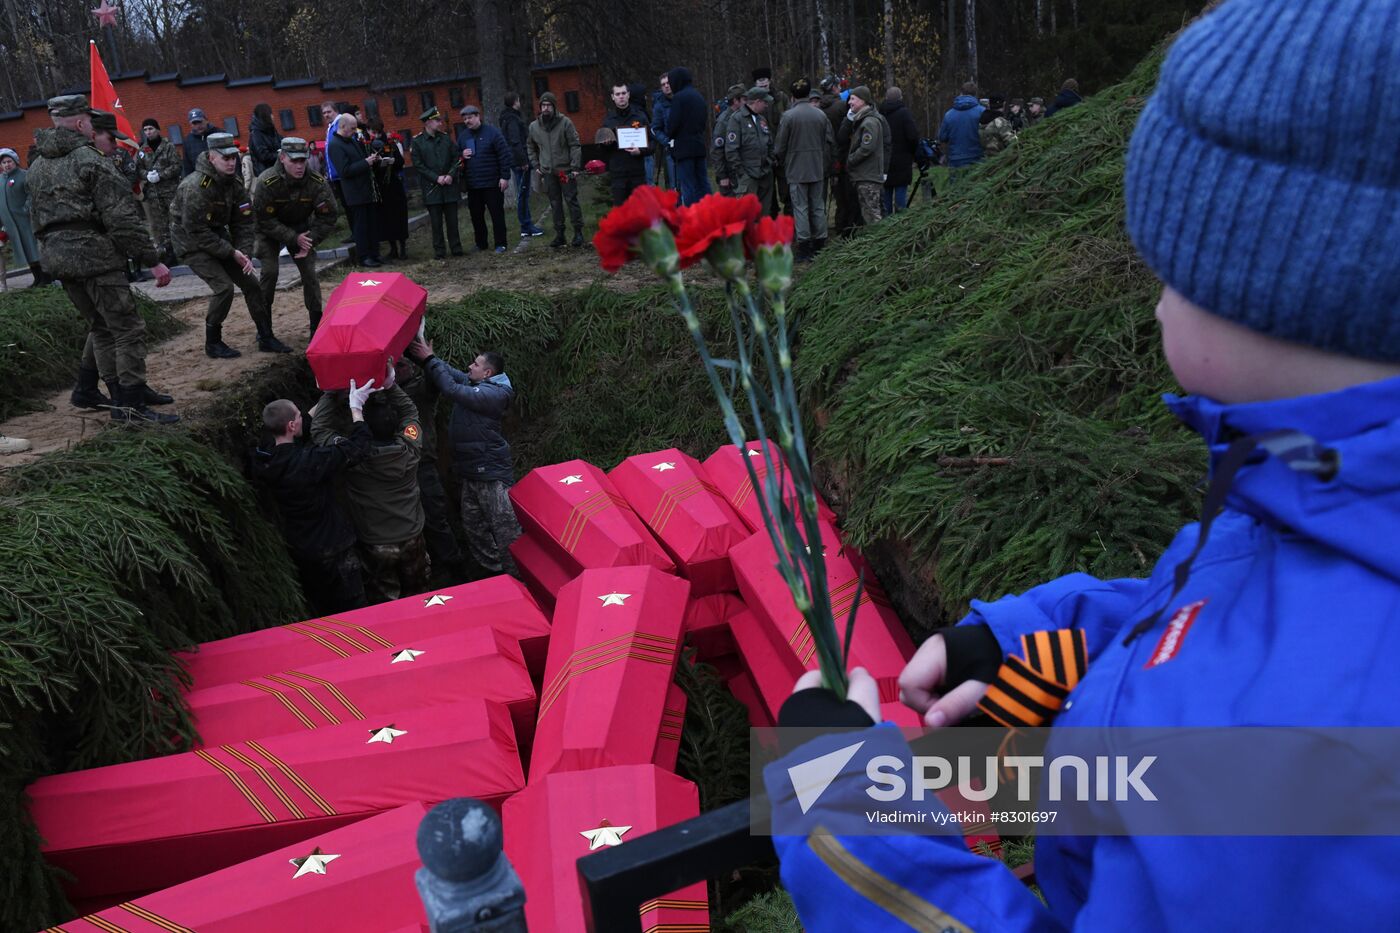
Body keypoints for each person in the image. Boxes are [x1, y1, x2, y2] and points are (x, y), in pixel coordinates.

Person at [765, 1, 1400, 929]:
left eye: (1173, 276)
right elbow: (1233, 609)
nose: (1151, 310)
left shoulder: (1304, 754)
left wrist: (845, 808)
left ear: (1298, 292)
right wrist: (1051, 641)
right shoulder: (1323, 490)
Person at [28, 94, 176, 424]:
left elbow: (33, 214)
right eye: (90, 122)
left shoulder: (36, 165)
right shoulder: (90, 161)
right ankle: (132, 406)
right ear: (81, 124)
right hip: (95, 256)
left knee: (101, 328)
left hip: (57, 258)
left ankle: (122, 398)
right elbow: (121, 218)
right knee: (127, 329)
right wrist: (152, 259)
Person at [251, 382, 377, 614]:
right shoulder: (310, 461)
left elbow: (303, 424)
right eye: (298, 415)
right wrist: (356, 409)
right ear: (290, 425)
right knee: (354, 605)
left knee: (323, 608)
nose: (302, 416)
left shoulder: (264, 456)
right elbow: (358, 449)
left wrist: (328, 395)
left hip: (301, 548)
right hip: (333, 546)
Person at [406, 336, 522, 577]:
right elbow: (450, 374)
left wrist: (429, 359)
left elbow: (451, 389)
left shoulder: (495, 395)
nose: (470, 367)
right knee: (475, 529)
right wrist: (425, 357)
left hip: (491, 476)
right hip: (470, 474)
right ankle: (493, 577)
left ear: (487, 373)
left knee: (506, 531)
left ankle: (519, 580)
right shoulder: (477, 385)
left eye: (476, 364)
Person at [310, 372, 429, 602]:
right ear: (395, 428)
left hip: (376, 542)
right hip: (413, 535)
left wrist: (332, 390)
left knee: (385, 597)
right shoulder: (411, 448)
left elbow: (320, 431)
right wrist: (391, 384)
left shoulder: (353, 458)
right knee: (420, 592)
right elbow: (411, 413)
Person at [172, 131, 292, 358]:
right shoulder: (197, 186)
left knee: (252, 284)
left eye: (233, 157)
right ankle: (213, 342)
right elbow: (196, 231)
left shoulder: (234, 184)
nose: (230, 162)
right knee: (224, 288)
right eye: (224, 158)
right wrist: (230, 251)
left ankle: (266, 336)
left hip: (217, 236)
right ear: (211, 158)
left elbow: (244, 222)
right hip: (191, 242)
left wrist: (243, 253)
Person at [252, 137, 338, 336]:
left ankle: (316, 327)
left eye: (303, 160)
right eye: (294, 161)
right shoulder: (267, 181)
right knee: (270, 272)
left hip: (301, 229)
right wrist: (292, 238)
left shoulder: (316, 182)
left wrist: (310, 240)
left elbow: (329, 215)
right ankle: (264, 329)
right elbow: (263, 219)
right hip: (268, 231)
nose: (300, 166)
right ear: (282, 158)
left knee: (310, 273)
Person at [395, 356, 466, 583]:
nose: (396, 370)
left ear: (413, 366)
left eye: (401, 365)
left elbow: (442, 382)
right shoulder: (381, 392)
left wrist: (428, 358)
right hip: (396, 471)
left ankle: (454, 567)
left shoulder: (422, 387)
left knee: (436, 518)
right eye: (393, 366)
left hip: (423, 466)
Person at [774, 90, 834, 261]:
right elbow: (826, 140)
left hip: (796, 169)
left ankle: (804, 247)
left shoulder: (788, 116)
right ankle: (820, 242)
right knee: (817, 206)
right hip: (817, 167)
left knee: (800, 208)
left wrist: (780, 159)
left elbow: (780, 146)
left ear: (793, 97)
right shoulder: (820, 115)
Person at [527, 91, 584, 248]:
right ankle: (560, 234)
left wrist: (575, 166)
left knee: (571, 200)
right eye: (543, 105)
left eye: (548, 105)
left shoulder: (565, 122)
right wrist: (536, 165)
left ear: (554, 107)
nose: (545, 108)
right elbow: (530, 146)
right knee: (554, 203)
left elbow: (574, 144)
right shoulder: (534, 126)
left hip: (565, 170)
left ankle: (578, 232)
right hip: (547, 171)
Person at [328, 113, 383, 268]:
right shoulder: (335, 145)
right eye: (352, 128)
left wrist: (372, 159)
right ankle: (364, 256)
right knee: (361, 226)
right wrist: (366, 163)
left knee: (372, 223)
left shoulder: (351, 141)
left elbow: (360, 159)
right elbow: (344, 171)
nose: (354, 131)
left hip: (366, 188)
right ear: (342, 126)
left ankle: (374, 253)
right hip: (354, 192)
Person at [409, 106, 464, 259]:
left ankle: (456, 248)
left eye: (439, 120)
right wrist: (436, 177)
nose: (440, 123)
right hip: (432, 188)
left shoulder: (445, 138)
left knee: (452, 221)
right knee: (436, 222)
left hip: (449, 186)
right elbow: (419, 165)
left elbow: (456, 158)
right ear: (427, 123)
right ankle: (439, 251)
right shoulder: (418, 142)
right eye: (436, 120)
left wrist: (450, 175)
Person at [456, 105, 513, 253]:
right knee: (476, 216)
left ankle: (501, 243)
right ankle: (481, 243)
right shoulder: (462, 137)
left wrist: (504, 177)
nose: (467, 121)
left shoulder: (493, 133)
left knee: (497, 215)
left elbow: (504, 155)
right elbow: (455, 157)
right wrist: (461, 155)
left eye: (470, 117)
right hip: (473, 184)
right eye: (465, 119)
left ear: (478, 116)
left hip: (492, 183)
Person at [0, 146, 48, 284]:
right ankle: (36, 278)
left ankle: (45, 278)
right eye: (3, 163)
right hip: (12, 225)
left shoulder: (24, 175)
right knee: (25, 251)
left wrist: (26, 209)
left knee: (34, 249)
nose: (6, 165)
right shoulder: (1, 180)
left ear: (15, 161)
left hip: (27, 221)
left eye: (9, 161)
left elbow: (32, 195)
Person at [663, 67, 711, 206]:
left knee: (688, 185)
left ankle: (692, 216)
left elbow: (673, 124)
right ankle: (709, 210)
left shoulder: (679, 98)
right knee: (703, 182)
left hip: (684, 148)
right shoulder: (699, 97)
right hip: (699, 145)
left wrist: (670, 133)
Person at [500, 92, 545, 238]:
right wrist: (523, 161)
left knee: (523, 194)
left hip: (516, 160)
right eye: (518, 101)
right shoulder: (512, 119)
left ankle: (526, 226)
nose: (520, 103)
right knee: (523, 194)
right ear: (515, 102)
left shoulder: (507, 117)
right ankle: (526, 226)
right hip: (519, 161)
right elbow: (515, 141)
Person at [726, 86, 776, 213]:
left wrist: (769, 162)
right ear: (757, 101)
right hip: (748, 176)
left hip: (764, 173)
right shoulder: (736, 119)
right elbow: (731, 149)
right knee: (746, 215)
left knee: (764, 214)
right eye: (764, 102)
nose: (766, 105)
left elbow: (769, 143)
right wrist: (742, 173)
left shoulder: (762, 120)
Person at [601, 82, 652, 207]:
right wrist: (606, 144)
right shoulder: (608, 121)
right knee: (622, 215)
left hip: (637, 174)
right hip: (618, 175)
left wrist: (640, 151)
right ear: (613, 97)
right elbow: (602, 149)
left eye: (623, 93)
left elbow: (652, 144)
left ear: (628, 95)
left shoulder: (640, 117)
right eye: (617, 94)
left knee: (640, 212)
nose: (621, 96)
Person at [137, 118, 180, 264]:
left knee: (175, 221)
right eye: (146, 130)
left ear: (157, 130)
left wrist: (160, 175)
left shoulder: (168, 147)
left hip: (169, 192)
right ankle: (168, 254)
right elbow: (138, 169)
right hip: (153, 194)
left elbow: (176, 166)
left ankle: (181, 251)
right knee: (160, 225)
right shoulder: (142, 150)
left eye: (151, 129)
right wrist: (146, 176)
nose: (148, 132)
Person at [367, 120, 409, 260]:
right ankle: (393, 249)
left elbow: (400, 162)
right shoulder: (368, 146)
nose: (376, 135)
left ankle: (402, 247)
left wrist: (392, 161)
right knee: (386, 218)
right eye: (373, 132)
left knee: (398, 216)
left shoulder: (389, 143)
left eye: (378, 132)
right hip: (380, 187)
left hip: (393, 185)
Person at [844, 85, 885, 225]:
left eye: (853, 99)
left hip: (869, 177)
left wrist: (850, 160)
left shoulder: (870, 122)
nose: (850, 102)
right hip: (864, 175)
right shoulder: (862, 119)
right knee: (868, 214)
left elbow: (867, 148)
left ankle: (878, 243)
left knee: (872, 216)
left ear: (863, 101)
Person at [879, 87, 920, 215]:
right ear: (900, 98)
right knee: (901, 194)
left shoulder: (880, 114)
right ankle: (901, 222)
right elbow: (913, 136)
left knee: (886, 193)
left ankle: (886, 223)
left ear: (886, 98)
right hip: (902, 159)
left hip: (885, 159)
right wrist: (913, 153)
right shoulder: (904, 113)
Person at [938, 82, 985, 183]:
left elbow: (942, 137)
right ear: (975, 94)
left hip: (956, 159)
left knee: (956, 191)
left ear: (961, 93)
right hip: (977, 157)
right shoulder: (982, 112)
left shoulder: (949, 114)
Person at [711, 84, 746, 196]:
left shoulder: (742, 117)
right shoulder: (724, 121)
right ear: (736, 101)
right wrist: (722, 176)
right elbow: (717, 150)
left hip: (741, 170)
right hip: (730, 174)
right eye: (744, 99)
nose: (747, 102)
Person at [651, 73, 675, 188]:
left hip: (686, 146)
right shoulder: (659, 106)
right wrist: (667, 142)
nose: (666, 86)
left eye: (668, 83)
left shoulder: (682, 99)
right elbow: (655, 128)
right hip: (670, 149)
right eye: (663, 84)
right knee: (673, 185)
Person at [319, 101, 344, 209]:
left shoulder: (341, 124)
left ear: (336, 111)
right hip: (336, 175)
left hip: (343, 173)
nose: (326, 115)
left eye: (329, 111)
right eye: (324, 113)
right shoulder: (331, 127)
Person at [181, 107, 215, 177]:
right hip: (202, 180)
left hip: (222, 177)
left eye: (200, 122)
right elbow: (187, 166)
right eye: (194, 123)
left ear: (206, 120)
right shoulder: (187, 142)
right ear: (191, 125)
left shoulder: (218, 134)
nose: (198, 126)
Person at [249, 103, 281, 176]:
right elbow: (263, 155)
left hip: (276, 171)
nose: (273, 116)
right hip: (266, 175)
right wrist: (280, 155)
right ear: (265, 115)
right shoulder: (256, 134)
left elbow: (281, 142)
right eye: (271, 114)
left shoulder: (272, 131)